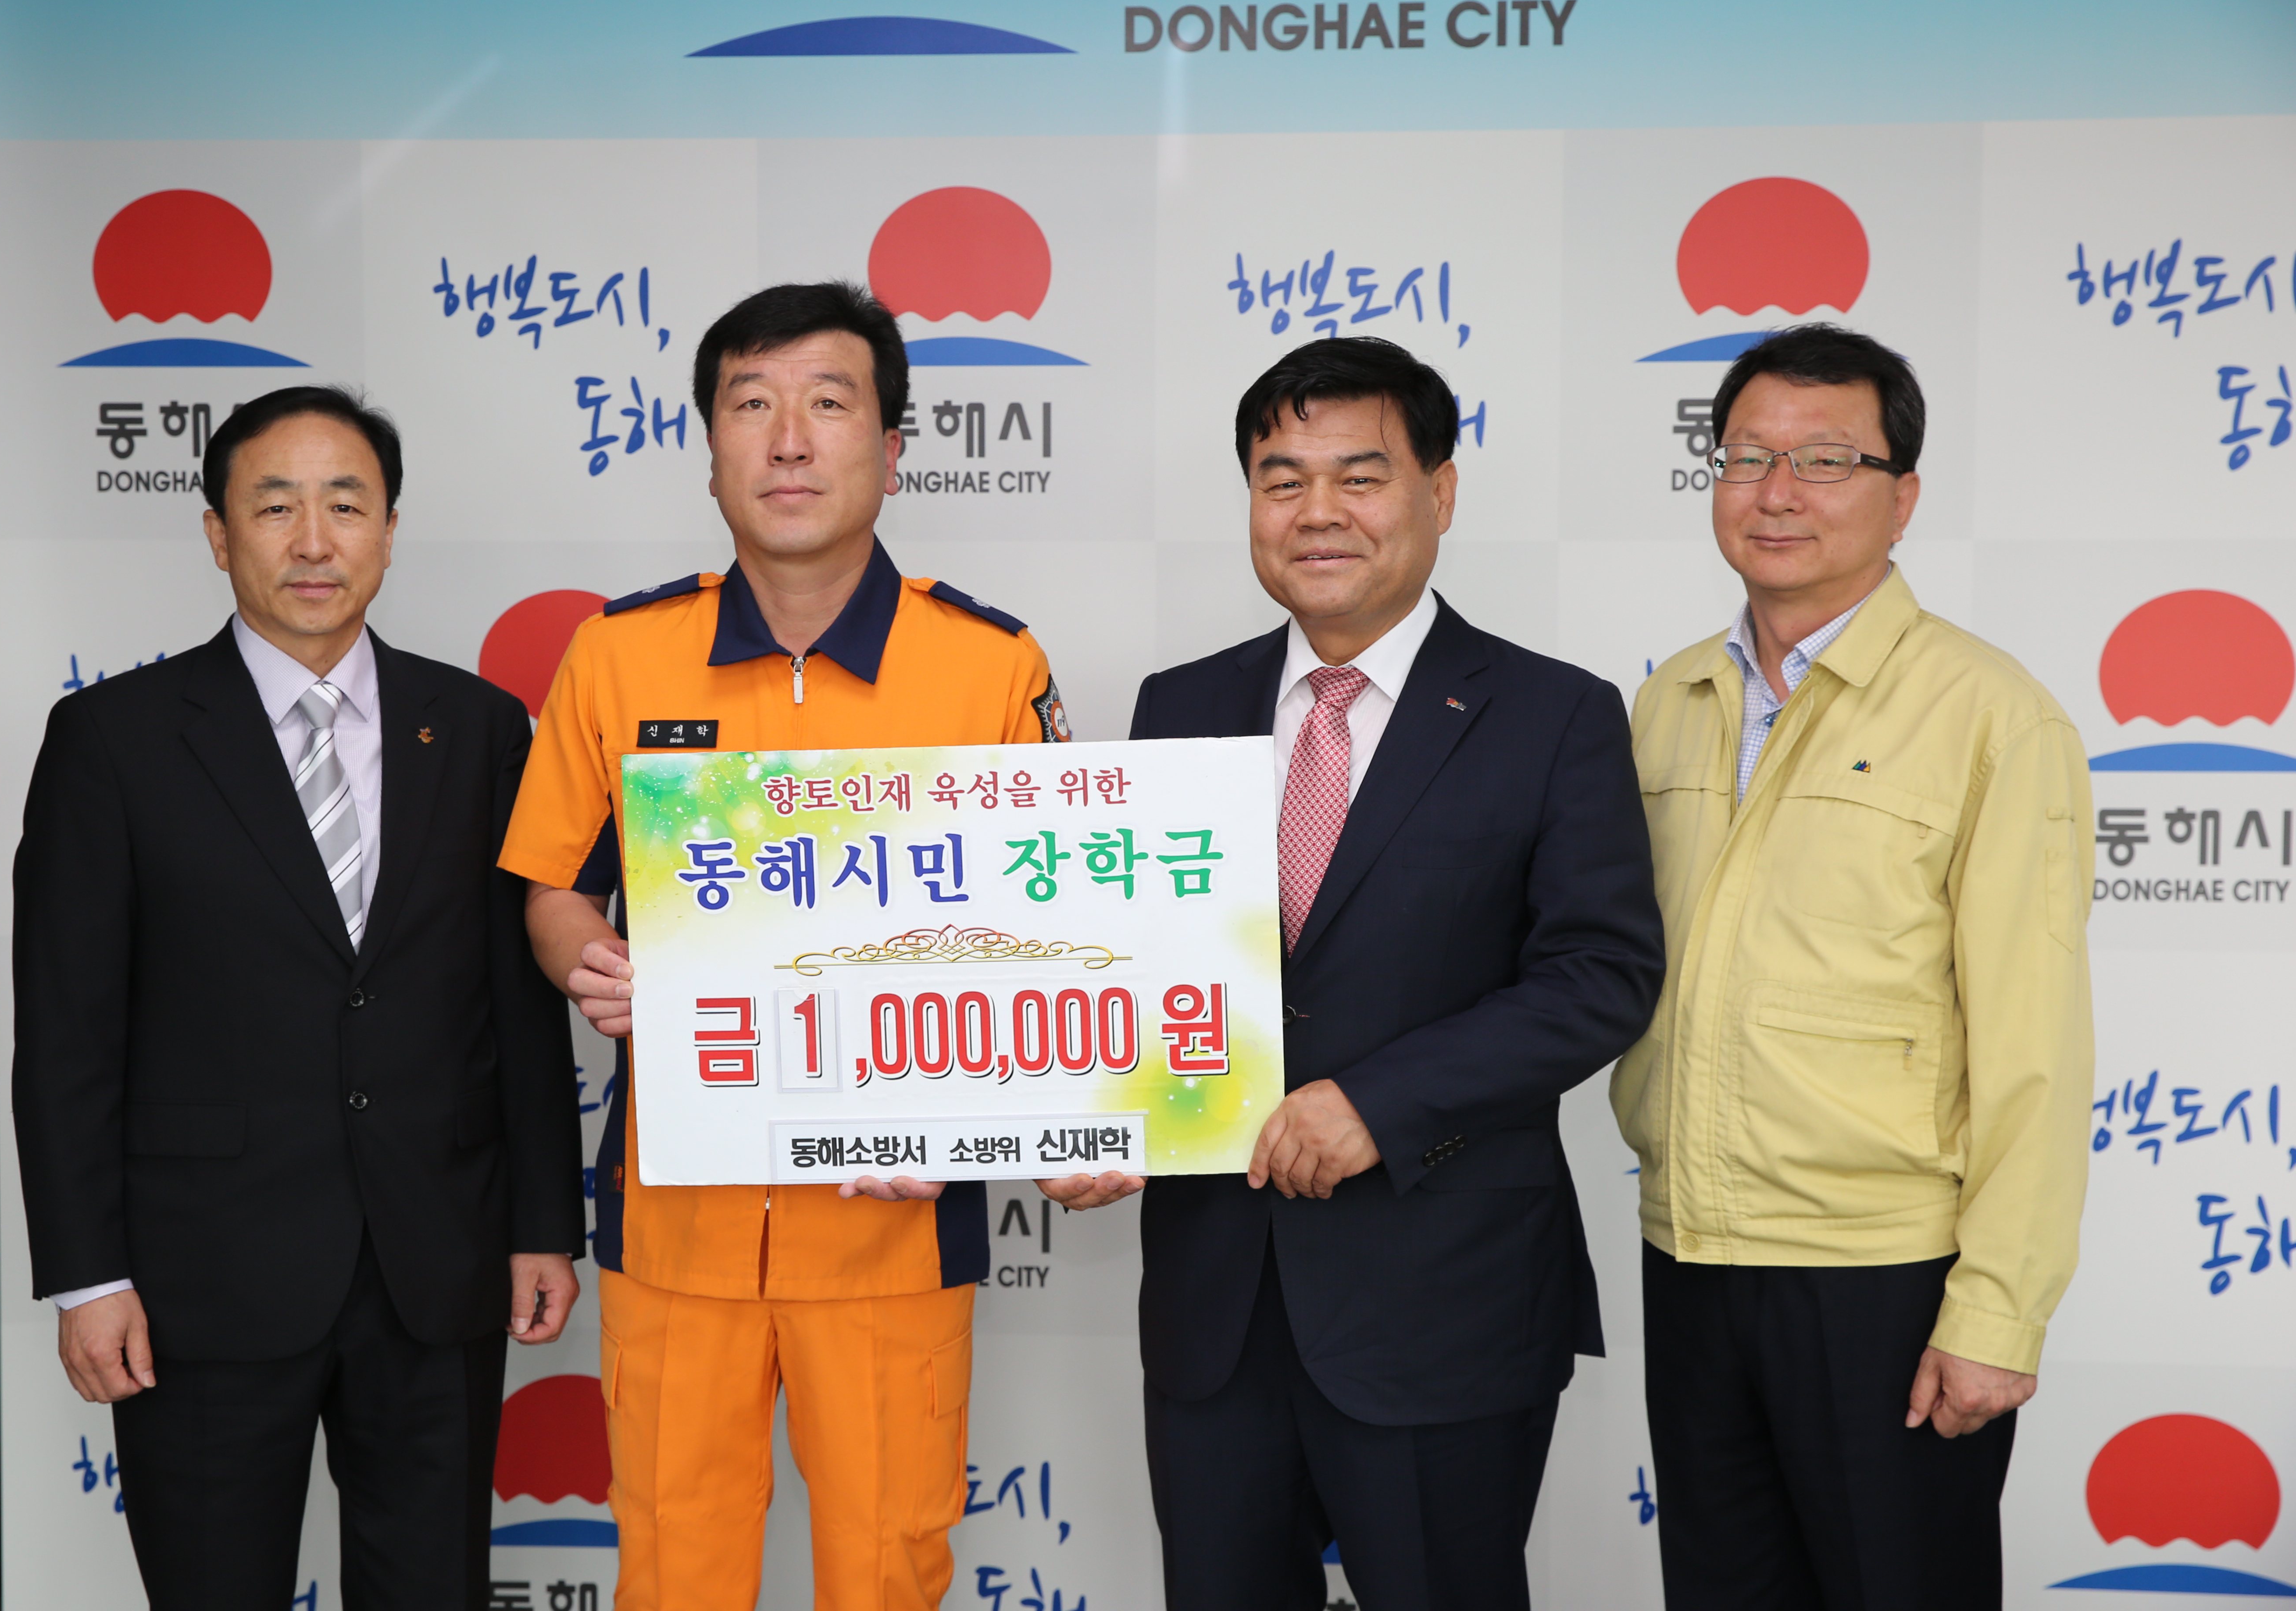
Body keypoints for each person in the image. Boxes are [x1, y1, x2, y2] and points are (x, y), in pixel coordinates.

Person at [1052, 336, 1666, 1611]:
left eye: (1360, 476)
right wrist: (1093, 1116)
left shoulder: (1553, 714)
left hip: (1442, 1297)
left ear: (1440, 492)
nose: (1317, 511)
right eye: (1282, 480)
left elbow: (1598, 975)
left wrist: (1378, 1105)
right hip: (1218, 1310)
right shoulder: (1180, 705)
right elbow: (1134, 967)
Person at [500, 280, 1068, 1611]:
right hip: (676, 1218)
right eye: (751, 405)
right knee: (674, 1569)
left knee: (888, 1569)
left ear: (894, 448)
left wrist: (1045, 1114)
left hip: (895, 1224)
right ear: (711, 453)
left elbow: (1050, 938)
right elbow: (553, 886)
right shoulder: (618, 654)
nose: (791, 441)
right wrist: (585, 957)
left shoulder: (988, 664)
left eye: (828, 403)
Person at [11, 385, 585, 1611]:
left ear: (390, 530)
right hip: (199, 1279)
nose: (314, 542)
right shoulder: (114, 739)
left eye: (347, 505)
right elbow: (64, 1033)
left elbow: (518, 1005)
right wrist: (87, 1277)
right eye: (275, 508)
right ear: (219, 534)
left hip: (435, 1262)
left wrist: (543, 1220)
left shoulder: (478, 728)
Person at [1615, 323, 2095, 1609]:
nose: (1778, 492)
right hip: (1690, 1255)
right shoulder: (1670, 701)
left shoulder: (1991, 714)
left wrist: (1996, 1311)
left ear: (1904, 495)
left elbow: (2037, 1044)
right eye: (1748, 457)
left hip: (1885, 1277)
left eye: (1827, 460)